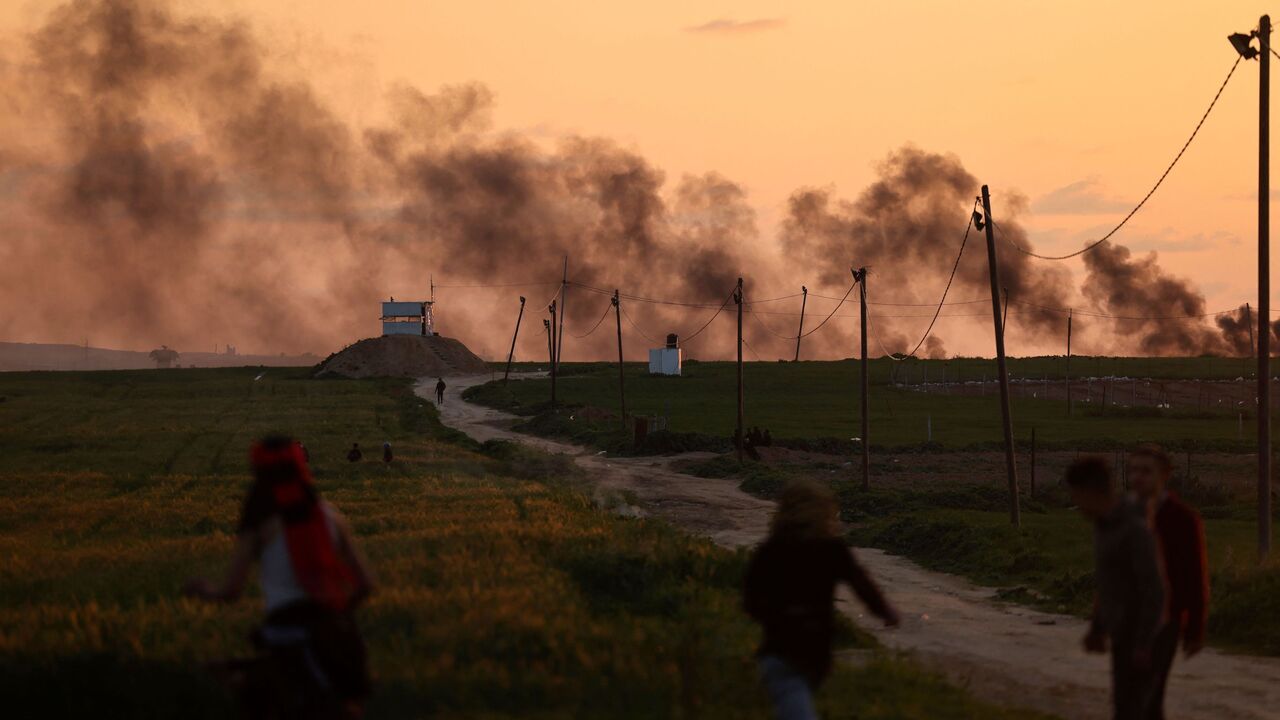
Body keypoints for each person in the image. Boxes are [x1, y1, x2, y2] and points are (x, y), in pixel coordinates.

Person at [184, 436, 375, 718]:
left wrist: (202, 590)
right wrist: (338, 613)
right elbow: (366, 586)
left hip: (286, 638)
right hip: (339, 640)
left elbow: (231, 591)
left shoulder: (262, 521)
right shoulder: (331, 517)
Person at [744, 480, 899, 719]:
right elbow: (861, 584)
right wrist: (885, 611)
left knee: (791, 697)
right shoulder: (831, 549)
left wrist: (775, 615)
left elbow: (751, 599)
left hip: (779, 648)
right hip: (814, 649)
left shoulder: (771, 550)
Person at [1067, 457, 1166, 720]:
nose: (1076, 505)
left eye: (1077, 496)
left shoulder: (1133, 528)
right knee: (1131, 710)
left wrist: (1144, 644)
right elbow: (1111, 583)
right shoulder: (1103, 527)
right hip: (1123, 636)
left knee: (1133, 711)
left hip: (1143, 640)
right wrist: (1098, 628)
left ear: (1090, 491)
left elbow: (1154, 590)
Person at [1128, 444, 1209, 719]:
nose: (1138, 477)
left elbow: (1194, 576)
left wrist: (1195, 627)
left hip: (1166, 620)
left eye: (1146, 471)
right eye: (1134, 470)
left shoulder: (1182, 519)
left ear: (1164, 475)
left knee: (1149, 696)